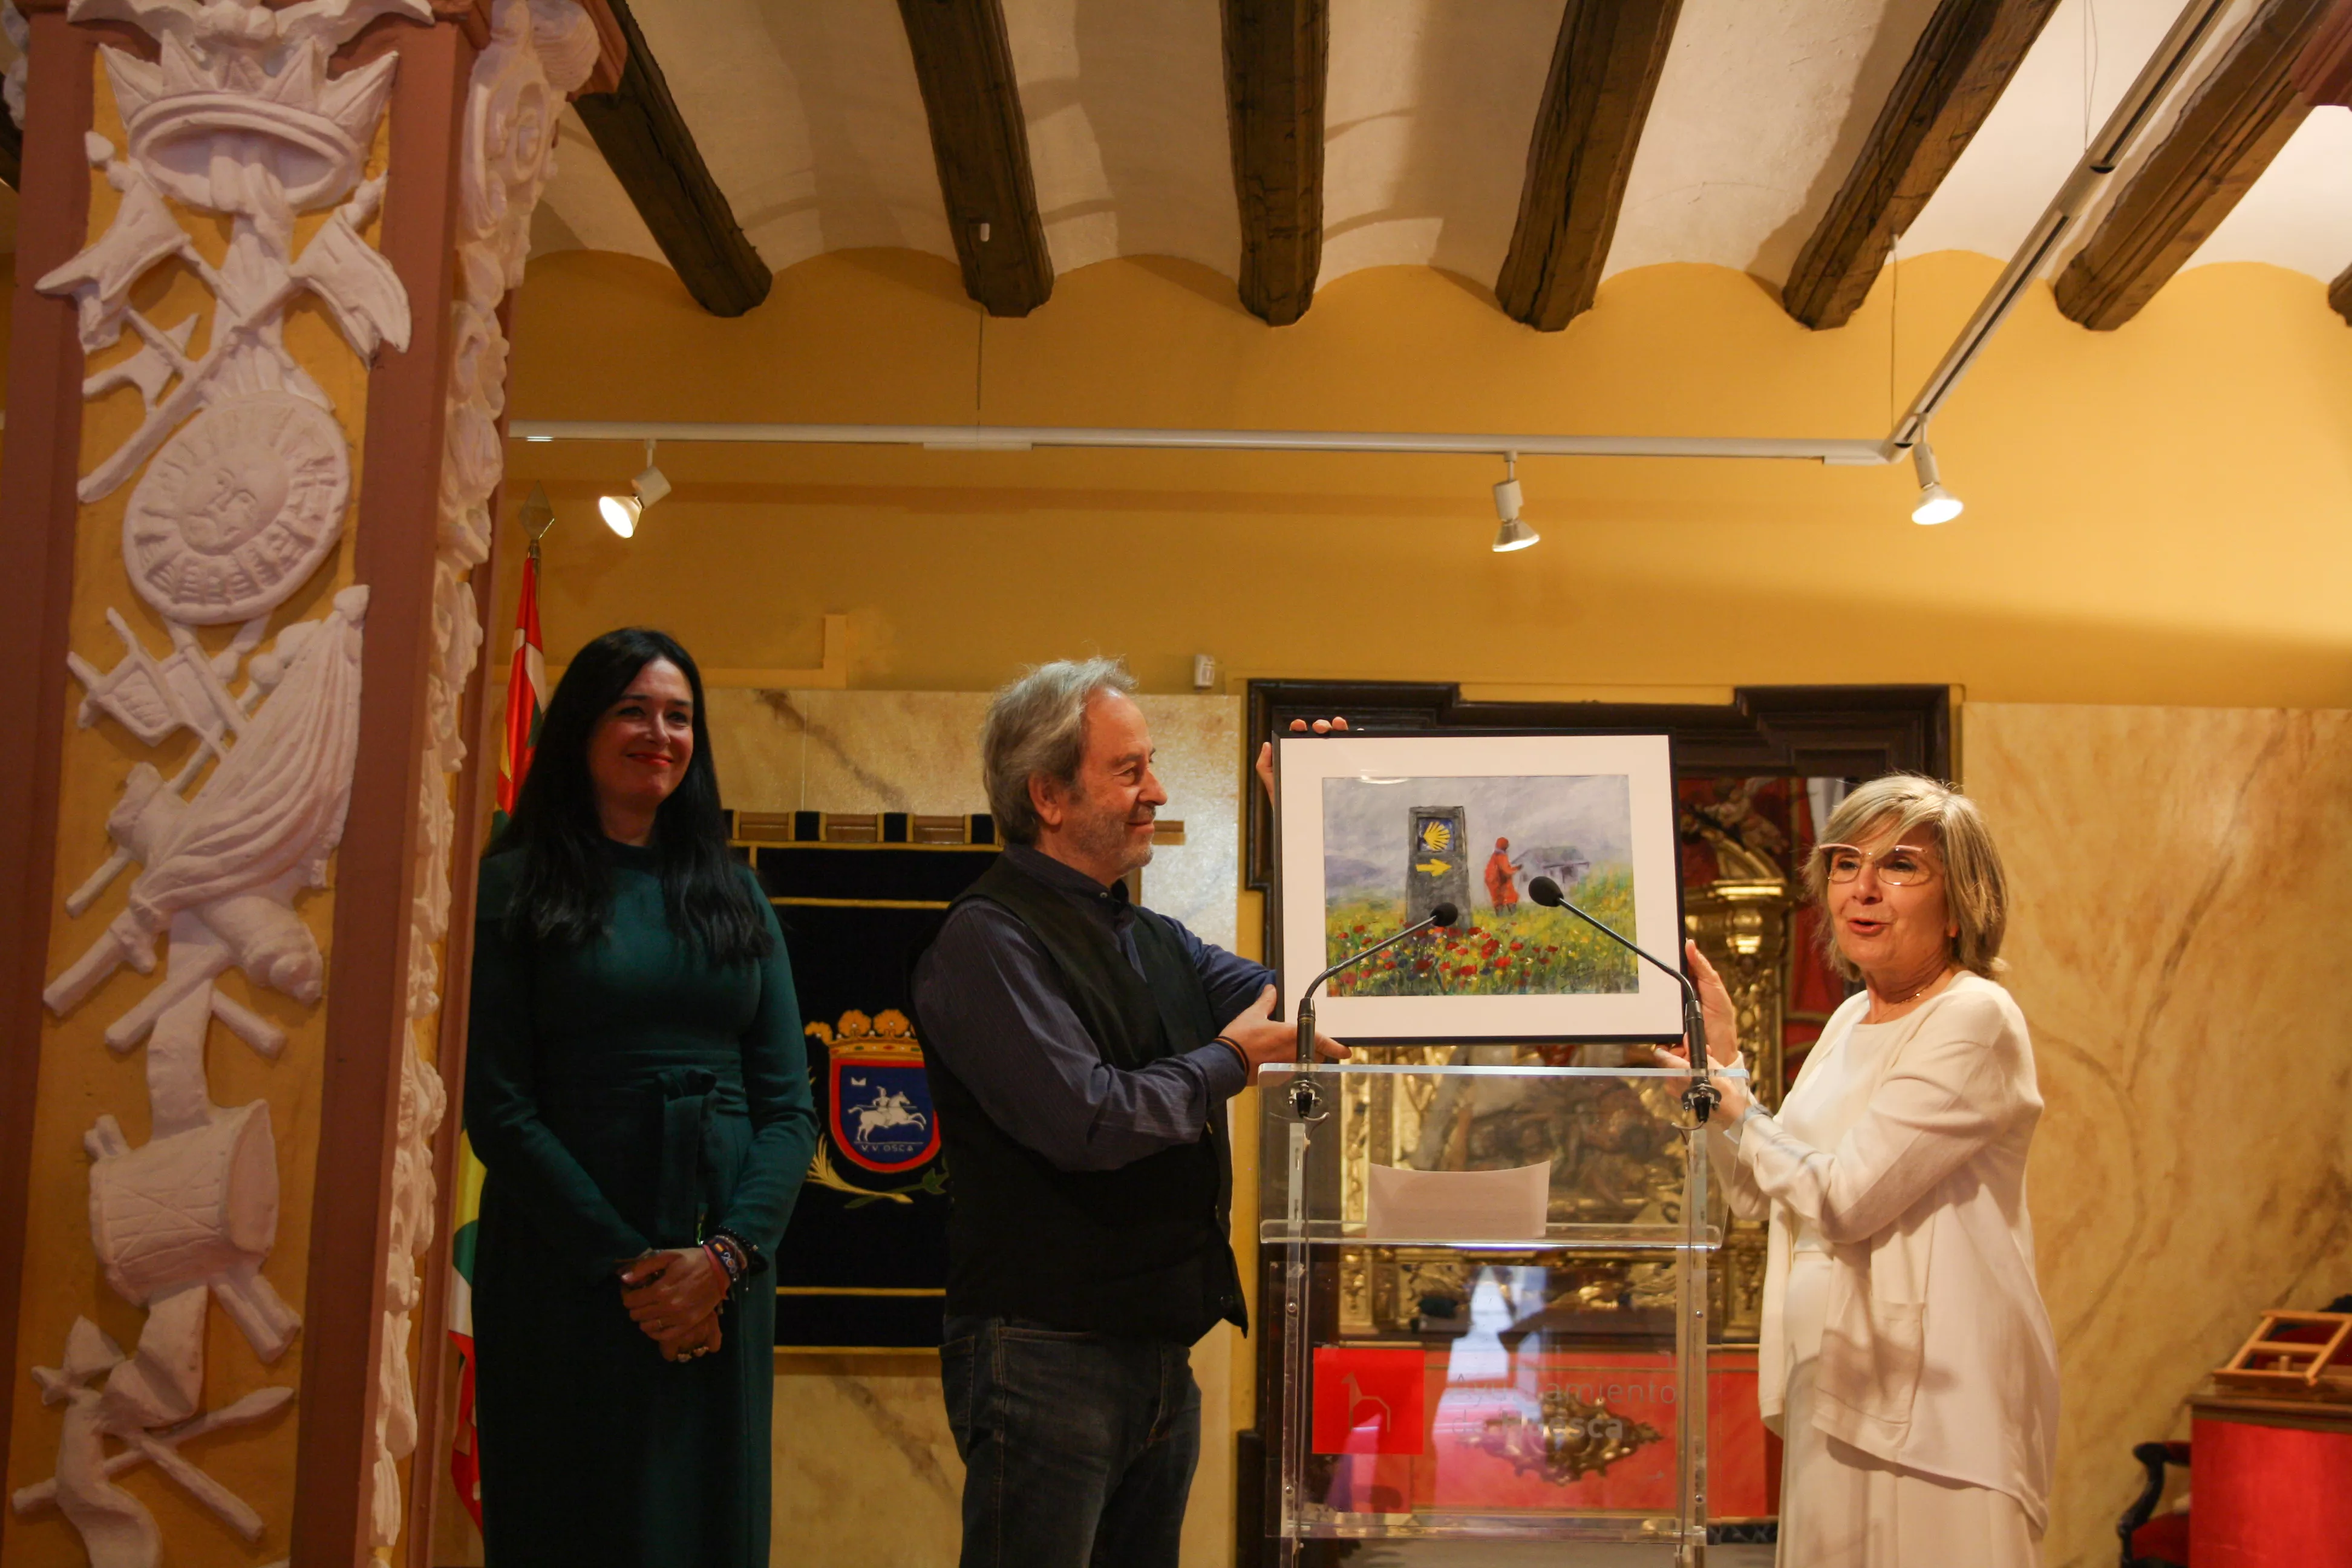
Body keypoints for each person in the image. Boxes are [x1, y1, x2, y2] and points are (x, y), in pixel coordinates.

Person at [912, 661, 1346, 1568]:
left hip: (1156, 1361)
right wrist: (1230, 1061)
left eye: (1149, 766)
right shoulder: (988, 939)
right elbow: (1088, 1120)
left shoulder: (1148, 935)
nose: (1155, 791)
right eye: (1129, 771)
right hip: (1042, 1360)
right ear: (1049, 796)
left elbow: (1308, 999)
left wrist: (1316, 825)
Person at [464, 627, 818, 1567]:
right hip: (564, 1262)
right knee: (574, 1519)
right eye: (633, 710)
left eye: (678, 716)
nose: (659, 733)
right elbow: (496, 1107)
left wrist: (725, 1260)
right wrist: (636, 1271)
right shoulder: (510, 889)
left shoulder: (738, 897)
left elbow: (790, 1109)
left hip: (723, 1267)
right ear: (581, 726)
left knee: (710, 1526)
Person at [1665, 773, 2059, 1566]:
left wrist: (1736, 1107)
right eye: (1845, 865)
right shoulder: (1849, 1017)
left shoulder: (1973, 1017)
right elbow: (1754, 1192)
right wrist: (1726, 1067)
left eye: (1901, 867)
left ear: (1959, 904)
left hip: (1942, 1409)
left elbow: (1845, 1200)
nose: (1863, 890)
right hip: (1836, 1387)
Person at [1484, 835, 1523, 912]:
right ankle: (1513, 914)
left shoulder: (1495, 856)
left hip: (1492, 881)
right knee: (1511, 897)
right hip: (1500, 881)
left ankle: (1500, 917)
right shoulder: (1502, 856)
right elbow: (1506, 871)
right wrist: (1517, 869)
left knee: (1498, 900)